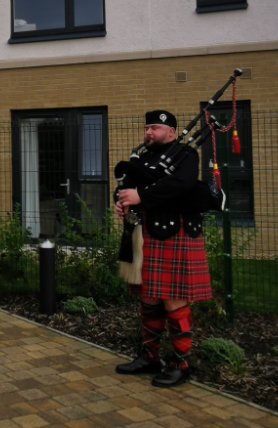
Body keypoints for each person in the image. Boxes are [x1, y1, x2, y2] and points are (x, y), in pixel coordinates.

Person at [114, 110, 213, 388]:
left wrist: (141, 196)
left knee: (173, 299)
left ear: (171, 131)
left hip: (175, 232)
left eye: (155, 128)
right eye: (147, 128)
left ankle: (180, 364)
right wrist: (121, 200)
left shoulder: (185, 155)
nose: (148, 132)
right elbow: (127, 185)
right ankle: (150, 357)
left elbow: (181, 185)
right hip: (147, 232)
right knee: (149, 297)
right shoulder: (143, 158)